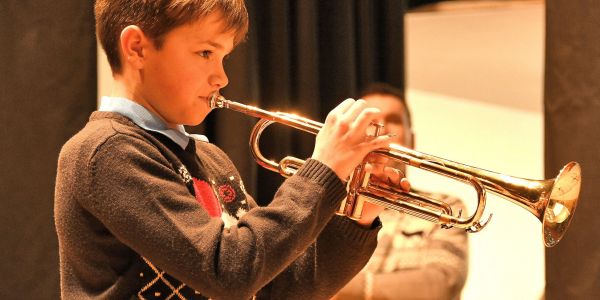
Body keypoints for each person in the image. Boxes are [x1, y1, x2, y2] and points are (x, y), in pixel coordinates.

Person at [54, 1, 409, 299]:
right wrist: (323, 170)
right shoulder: (105, 152)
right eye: (205, 52)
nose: (222, 77)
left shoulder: (209, 159)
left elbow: (278, 288)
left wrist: (358, 217)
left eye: (223, 57)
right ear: (137, 48)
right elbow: (228, 270)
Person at [334, 83, 469, 300]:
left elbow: (442, 283)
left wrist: (330, 287)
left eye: (394, 121)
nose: (382, 129)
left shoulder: (446, 207)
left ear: (412, 140)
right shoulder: (325, 206)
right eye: (370, 122)